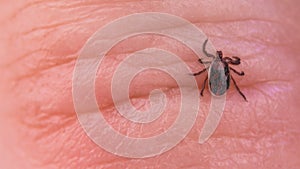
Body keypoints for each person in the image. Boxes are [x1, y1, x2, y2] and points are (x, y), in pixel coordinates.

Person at [0, 1, 299, 168]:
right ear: (220, 63)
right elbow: (235, 75)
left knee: (207, 83)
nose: (219, 61)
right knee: (224, 85)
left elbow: (208, 72)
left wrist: (210, 74)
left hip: (210, 77)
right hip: (215, 77)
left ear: (216, 62)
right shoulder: (219, 67)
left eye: (218, 60)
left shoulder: (210, 66)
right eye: (219, 60)